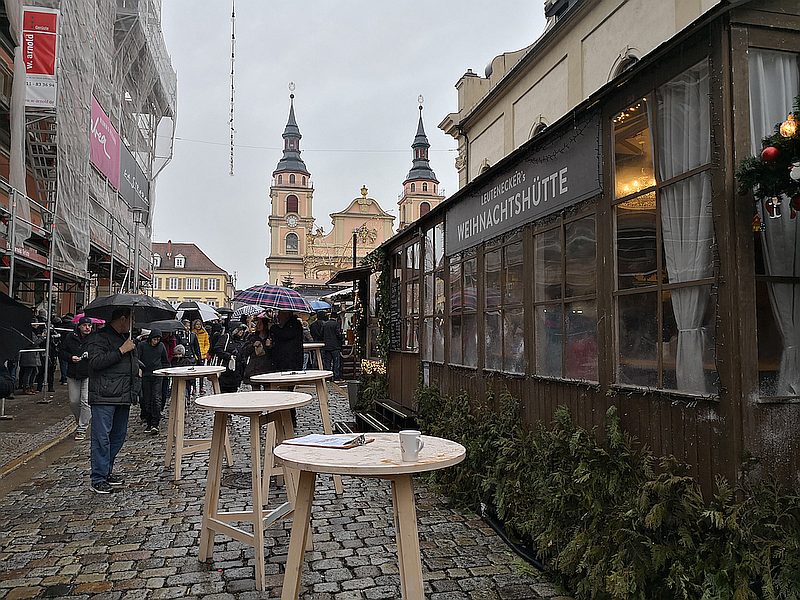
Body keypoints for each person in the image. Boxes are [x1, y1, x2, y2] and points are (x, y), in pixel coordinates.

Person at [86, 307, 140, 494]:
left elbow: (128, 361)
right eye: (131, 320)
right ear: (122, 319)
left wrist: (138, 368)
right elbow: (95, 362)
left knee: (118, 436)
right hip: (104, 395)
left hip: (123, 395)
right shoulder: (98, 338)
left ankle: (107, 470)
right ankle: (98, 477)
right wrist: (121, 350)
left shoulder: (126, 339)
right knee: (101, 438)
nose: (134, 324)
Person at [59, 316, 93, 441]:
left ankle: (82, 428)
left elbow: (99, 351)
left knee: (85, 401)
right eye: (85, 325)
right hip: (73, 373)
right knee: (74, 401)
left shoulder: (94, 338)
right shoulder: (71, 337)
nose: (87, 328)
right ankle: (80, 420)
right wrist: (71, 357)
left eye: (89, 325)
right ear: (79, 326)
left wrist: (91, 355)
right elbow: (62, 352)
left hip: (88, 373)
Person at [137, 328, 169, 434]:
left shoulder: (161, 346)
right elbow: (137, 359)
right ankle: (149, 422)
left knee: (156, 399)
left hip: (157, 375)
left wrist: (166, 373)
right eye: (155, 339)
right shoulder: (142, 345)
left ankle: (155, 423)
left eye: (158, 339)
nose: (156, 341)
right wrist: (139, 370)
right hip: (146, 376)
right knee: (146, 400)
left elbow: (165, 360)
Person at [238, 316, 273, 385]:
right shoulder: (252, 337)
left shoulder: (271, 337)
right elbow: (244, 351)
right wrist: (252, 346)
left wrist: (269, 346)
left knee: (268, 387)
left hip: (267, 367)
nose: (258, 325)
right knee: (255, 387)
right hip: (255, 367)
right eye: (258, 323)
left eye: (261, 323)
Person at [214, 324, 247, 393]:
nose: (242, 332)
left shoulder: (241, 341)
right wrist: (229, 356)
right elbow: (217, 349)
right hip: (225, 372)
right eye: (240, 330)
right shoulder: (226, 337)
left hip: (236, 373)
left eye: (242, 330)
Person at [321, 309, 345, 381]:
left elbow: (321, 334)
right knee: (336, 362)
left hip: (326, 346)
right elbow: (338, 334)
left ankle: (328, 377)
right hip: (335, 346)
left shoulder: (325, 324)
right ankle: (336, 377)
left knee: (327, 362)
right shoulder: (336, 324)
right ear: (336, 318)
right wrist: (342, 338)